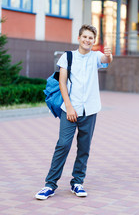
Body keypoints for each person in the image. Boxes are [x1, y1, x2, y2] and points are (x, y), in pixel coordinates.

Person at [35, 24, 113, 200]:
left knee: (84, 147)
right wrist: (69, 106)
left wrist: (108, 54)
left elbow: (107, 60)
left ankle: (77, 182)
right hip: (70, 109)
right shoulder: (67, 57)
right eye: (84, 37)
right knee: (63, 145)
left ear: (94, 41)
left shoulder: (96, 57)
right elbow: (62, 82)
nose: (87, 40)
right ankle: (49, 185)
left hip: (90, 110)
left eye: (91, 38)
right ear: (79, 38)